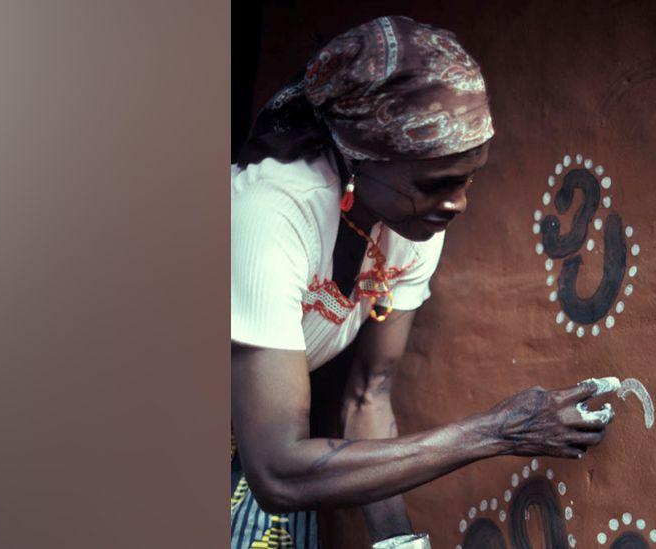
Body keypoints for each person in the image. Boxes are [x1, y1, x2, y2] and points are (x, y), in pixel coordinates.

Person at [231, 15, 616, 548]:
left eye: (467, 178)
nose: (457, 204)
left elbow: (369, 397)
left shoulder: (412, 226)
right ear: (360, 159)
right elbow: (276, 471)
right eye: (437, 184)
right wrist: (495, 431)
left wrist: (399, 544)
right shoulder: (269, 213)